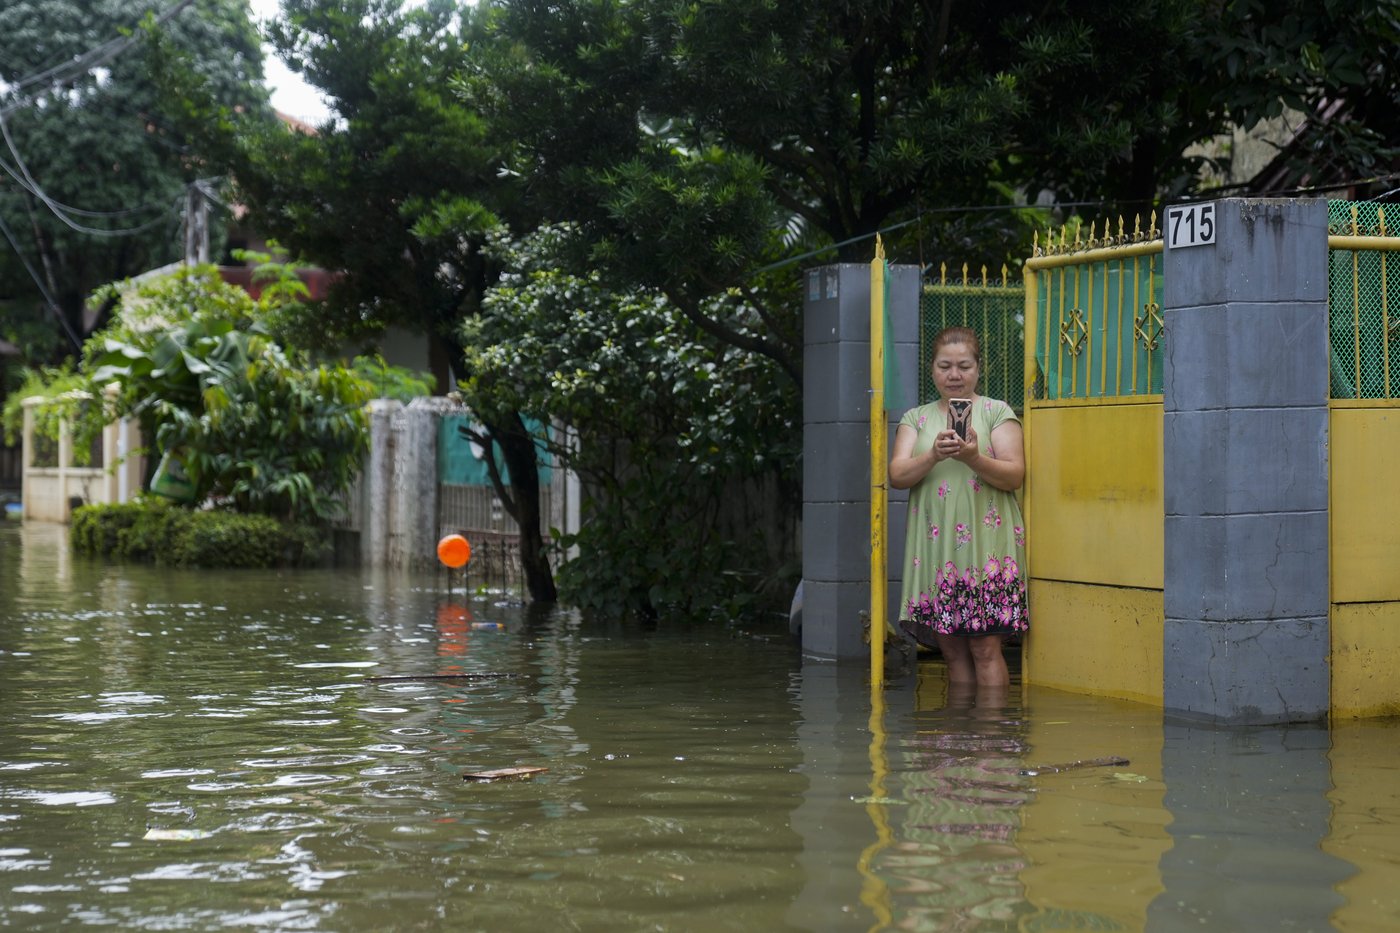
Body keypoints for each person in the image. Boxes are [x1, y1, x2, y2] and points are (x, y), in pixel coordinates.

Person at [889, 326, 1028, 687]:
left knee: (985, 648)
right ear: (932, 369)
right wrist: (934, 454)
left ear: (978, 369)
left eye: (964, 366)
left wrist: (973, 458)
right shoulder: (915, 419)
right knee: (951, 653)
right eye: (945, 366)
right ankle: (959, 737)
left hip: (987, 549)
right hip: (936, 551)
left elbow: (1014, 476)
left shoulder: (997, 412)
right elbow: (898, 475)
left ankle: (992, 736)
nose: (954, 375)